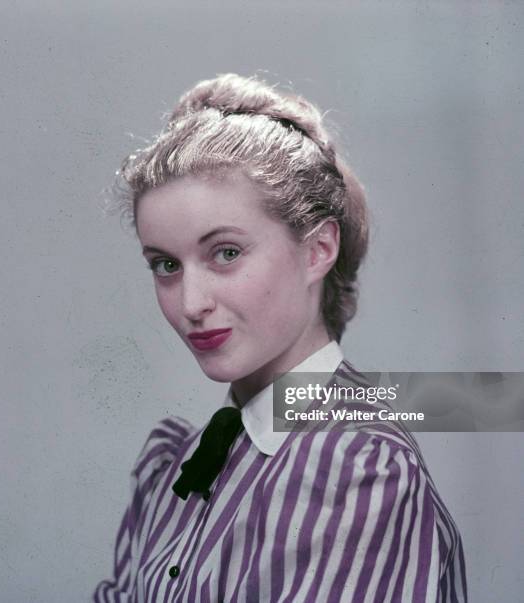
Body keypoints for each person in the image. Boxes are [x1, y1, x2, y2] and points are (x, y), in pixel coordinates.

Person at [94, 73, 467, 602]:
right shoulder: (174, 465)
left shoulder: (361, 468)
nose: (190, 303)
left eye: (226, 253)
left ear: (318, 251)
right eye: (165, 264)